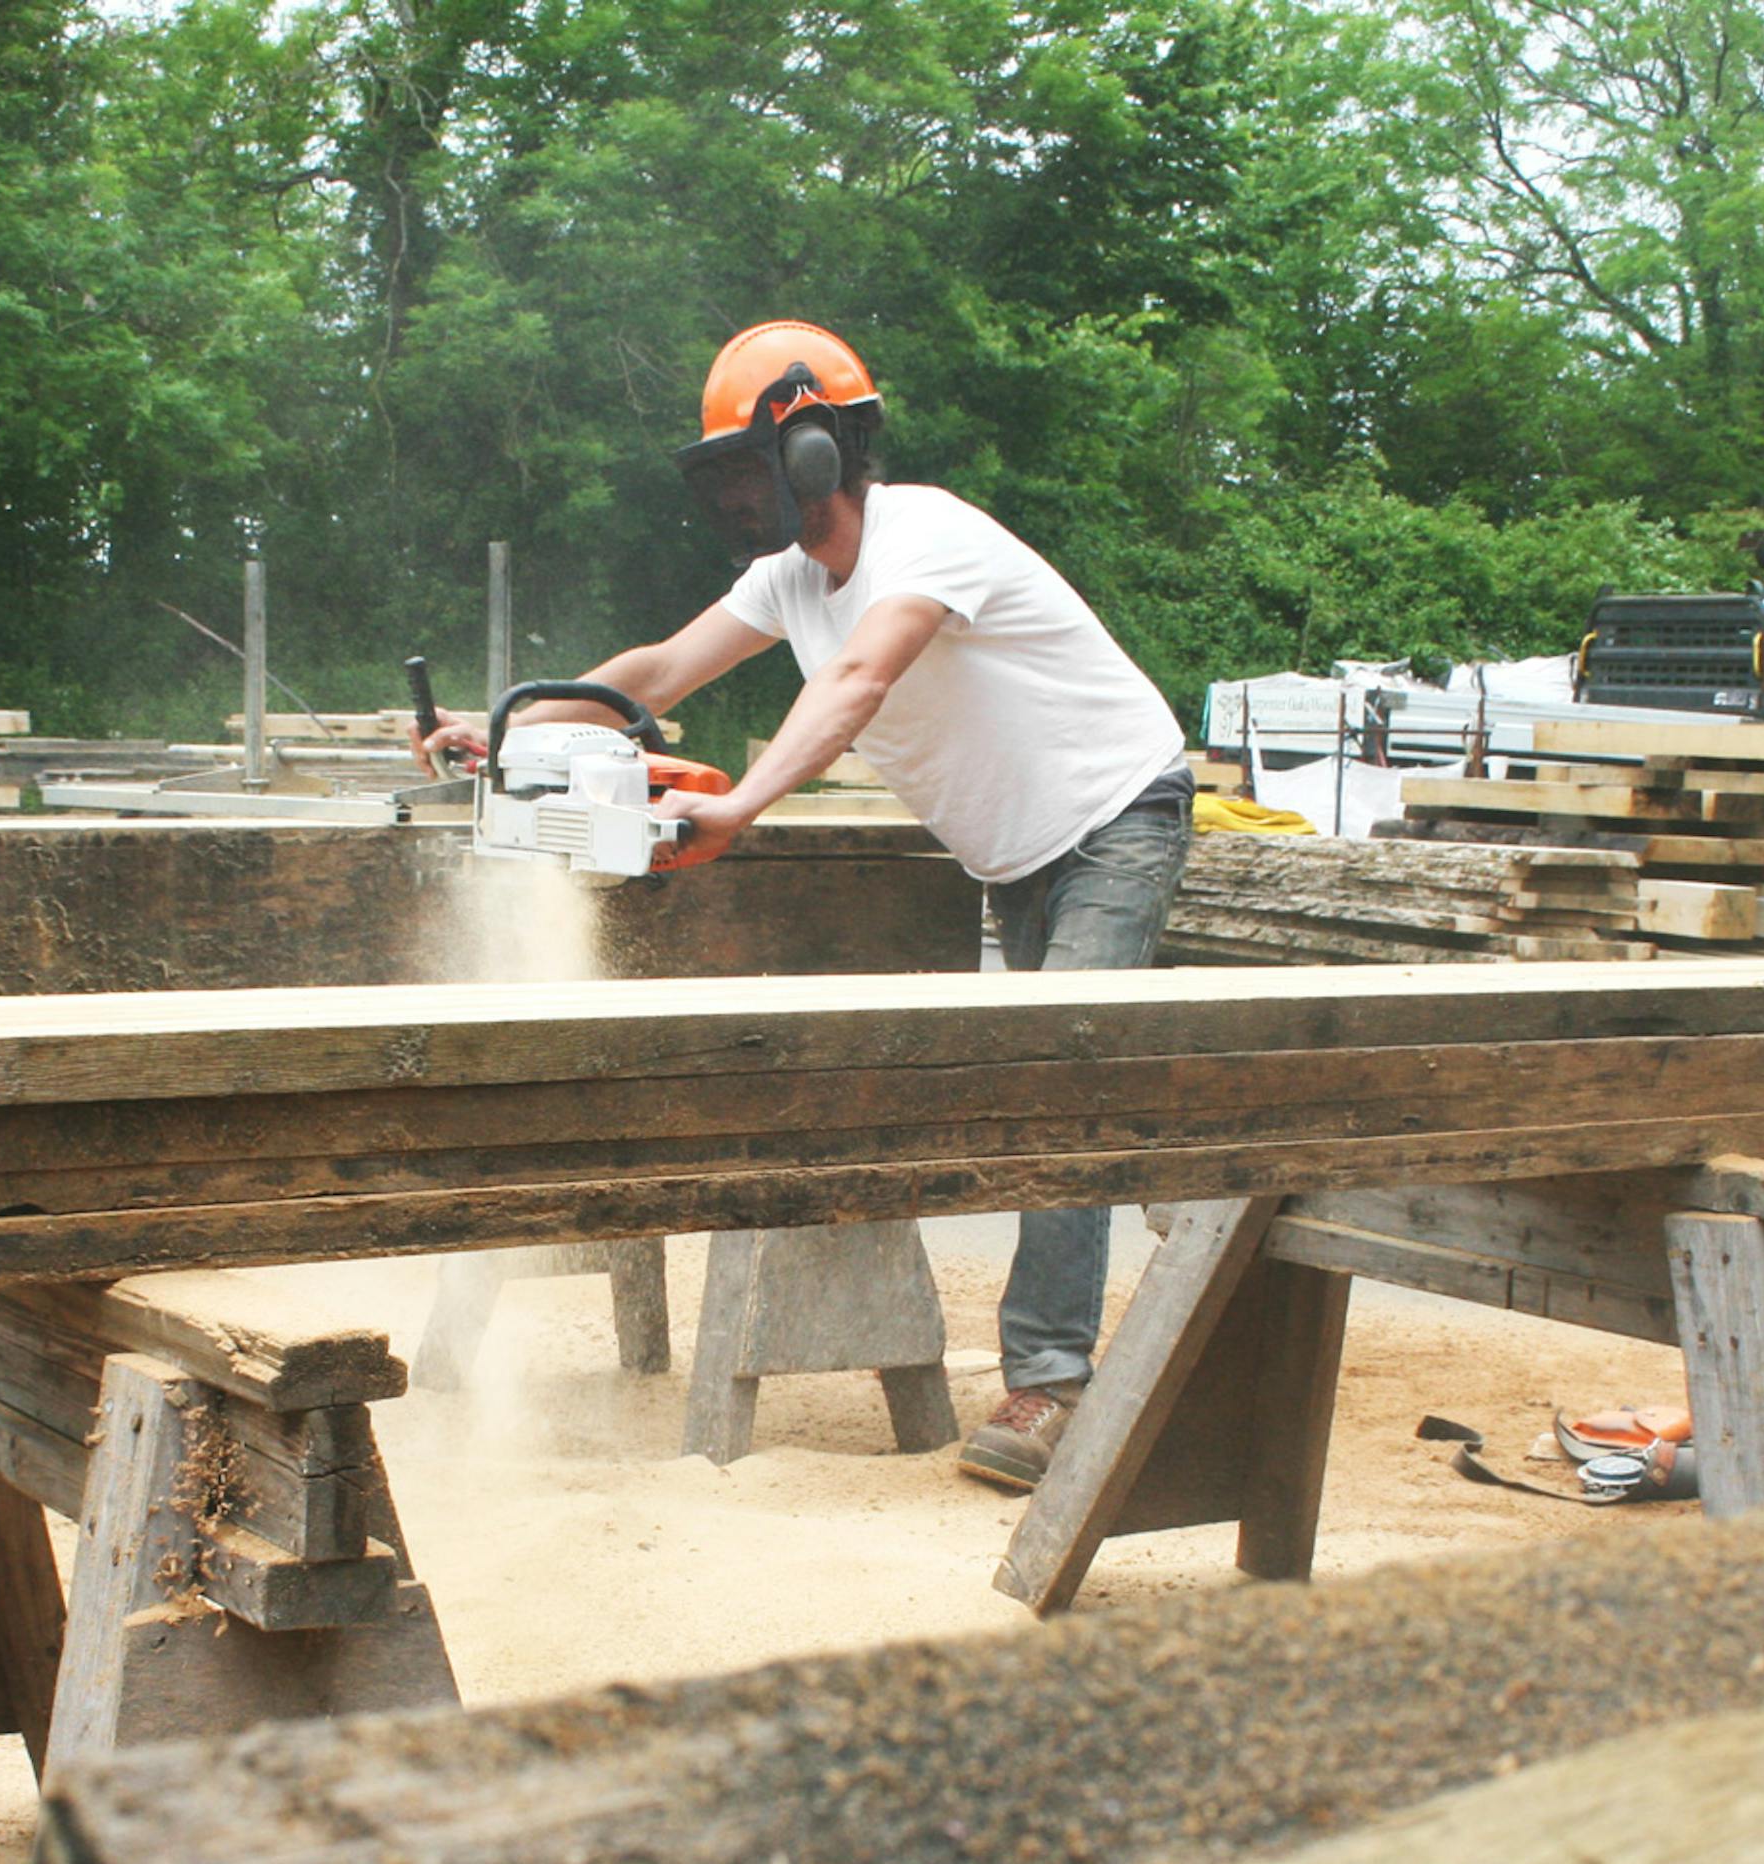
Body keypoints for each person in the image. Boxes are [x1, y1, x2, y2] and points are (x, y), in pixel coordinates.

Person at [413, 320, 1193, 1492]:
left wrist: (745, 807)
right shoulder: (789, 578)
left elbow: (860, 681)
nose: (732, 494)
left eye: (746, 466)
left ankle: (1051, 1382)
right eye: (719, 474)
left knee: (1055, 1082)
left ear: (818, 453)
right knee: (1070, 1076)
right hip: (1017, 853)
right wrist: (511, 725)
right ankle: (1168, 1165)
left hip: (1117, 813)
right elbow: (661, 674)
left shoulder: (925, 536)